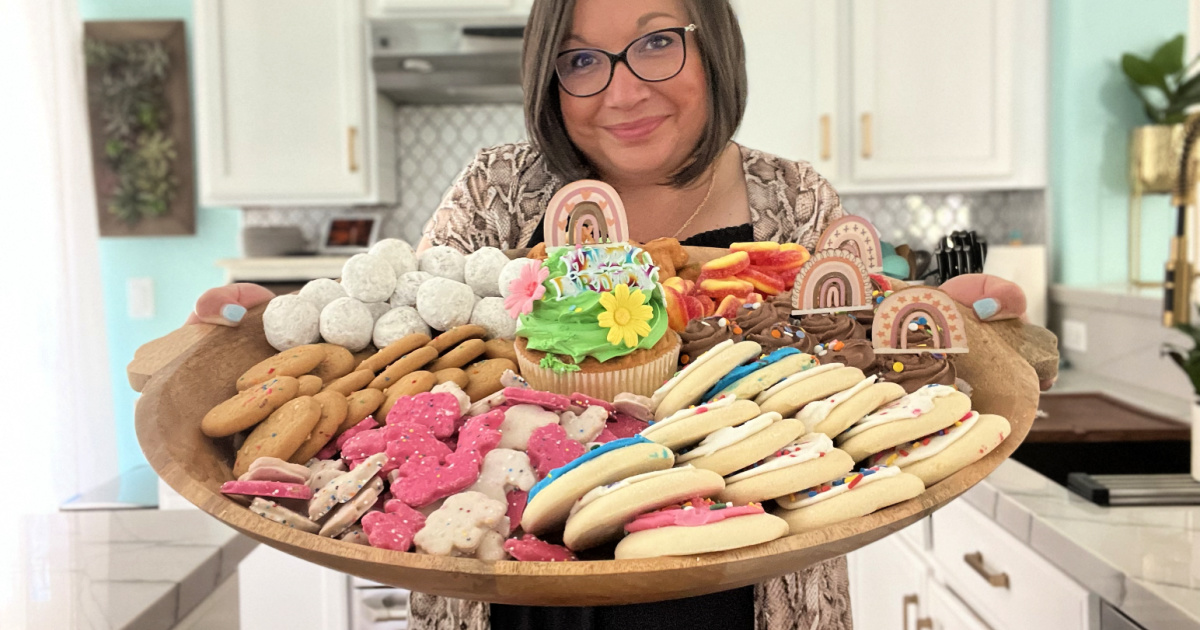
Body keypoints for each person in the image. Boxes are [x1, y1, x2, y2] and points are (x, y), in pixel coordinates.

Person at [190, 0, 1043, 627]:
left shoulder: (794, 198)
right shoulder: (498, 189)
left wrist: (957, 327)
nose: (622, 90)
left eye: (658, 42)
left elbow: (872, 379)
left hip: (745, 589)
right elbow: (402, 347)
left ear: (713, 46)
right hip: (511, 591)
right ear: (549, 78)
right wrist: (274, 327)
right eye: (582, 60)